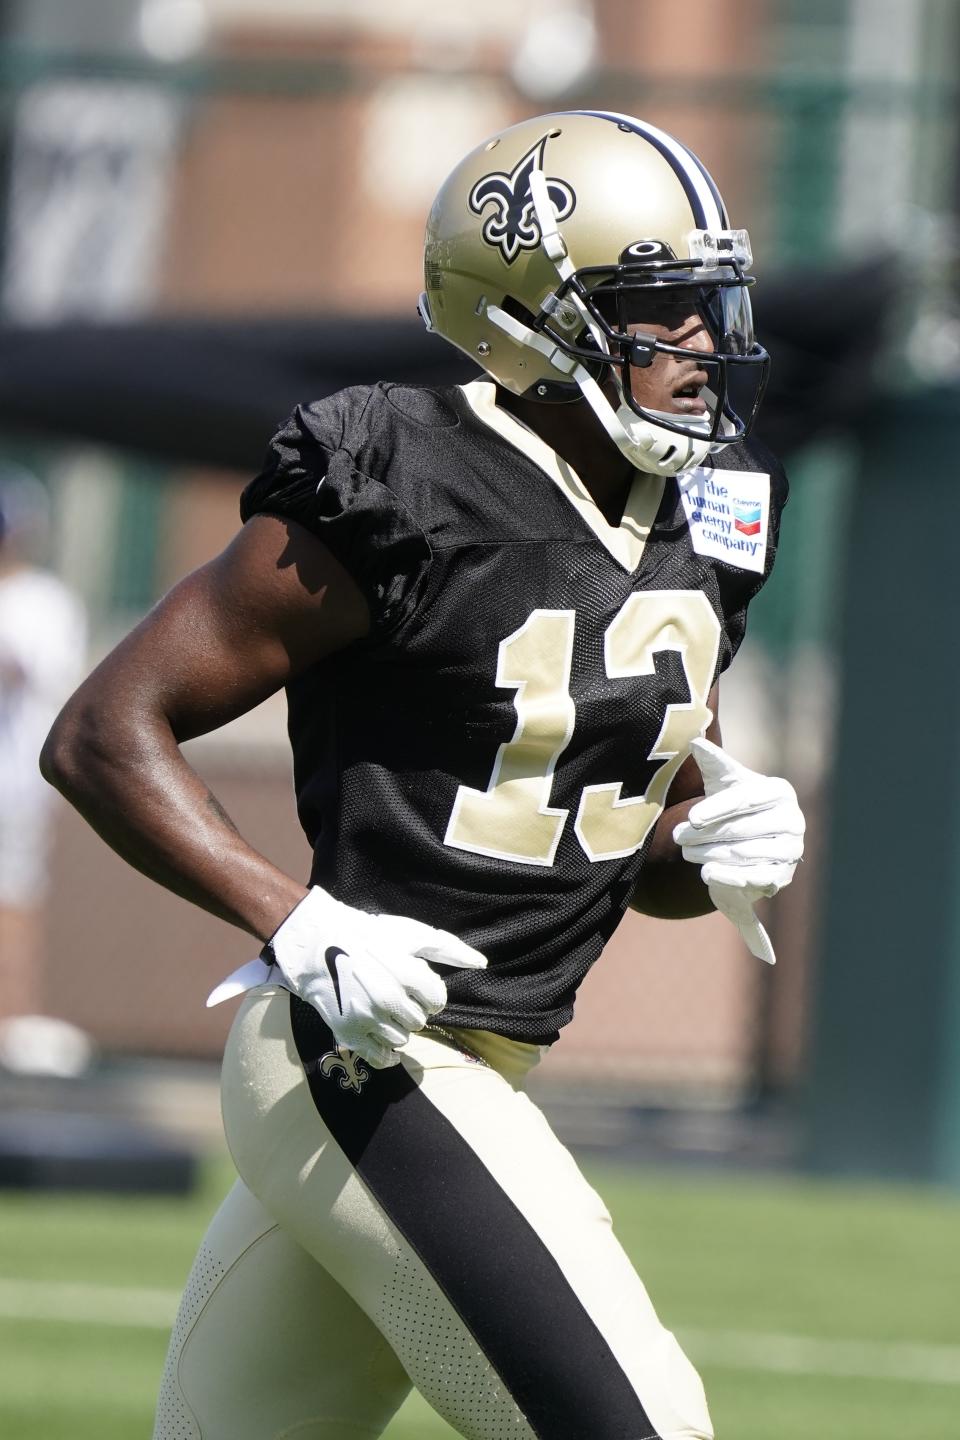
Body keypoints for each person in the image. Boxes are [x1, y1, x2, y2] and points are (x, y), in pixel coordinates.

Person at [42, 111, 804, 1440]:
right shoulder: (404, 476)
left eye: (709, 305)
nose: (701, 347)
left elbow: (631, 846)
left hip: (483, 1061)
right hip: (360, 1060)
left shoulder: (711, 504)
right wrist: (295, 918)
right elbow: (105, 730)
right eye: (661, 311)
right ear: (531, 317)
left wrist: (716, 843)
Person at [0, 468, 86, 1020]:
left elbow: (41, 677)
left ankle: (10, 1017)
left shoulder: (46, 601)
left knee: (14, 898)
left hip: (15, 784)